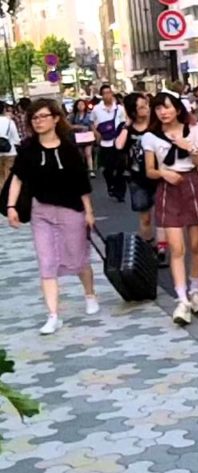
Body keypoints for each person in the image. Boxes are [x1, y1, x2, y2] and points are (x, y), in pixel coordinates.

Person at [4, 99, 97, 335]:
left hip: (71, 209)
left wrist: (89, 212)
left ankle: (89, 294)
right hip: (41, 212)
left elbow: (82, 184)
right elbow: (17, 179)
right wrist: (11, 206)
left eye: (43, 117)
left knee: (78, 258)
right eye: (34, 118)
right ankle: (53, 315)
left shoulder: (69, 149)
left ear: (55, 119)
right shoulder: (28, 149)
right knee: (46, 262)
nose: (39, 122)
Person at [143, 92, 198, 326]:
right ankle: (182, 299)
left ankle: (195, 290)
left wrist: (190, 148)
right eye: (158, 109)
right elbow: (149, 170)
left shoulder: (193, 131)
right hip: (168, 188)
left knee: (195, 244)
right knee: (177, 248)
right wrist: (163, 173)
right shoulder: (150, 137)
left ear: (177, 109)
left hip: (193, 184)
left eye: (167, 107)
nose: (163, 112)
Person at [115, 93, 167, 263]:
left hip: (159, 174)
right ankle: (148, 246)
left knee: (161, 214)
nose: (146, 109)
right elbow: (119, 145)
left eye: (146, 105)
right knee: (145, 217)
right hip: (137, 177)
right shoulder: (127, 128)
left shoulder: (156, 125)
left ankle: (161, 249)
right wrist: (127, 125)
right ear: (133, 111)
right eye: (141, 107)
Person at [92, 84, 127, 202]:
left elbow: (124, 123)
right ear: (101, 95)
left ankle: (120, 192)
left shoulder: (120, 108)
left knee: (120, 167)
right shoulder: (97, 109)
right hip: (104, 142)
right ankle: (110, 185)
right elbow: (92, 122)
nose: (107, 95)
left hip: (118, 141)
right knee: (108, 168)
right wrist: (96, 133)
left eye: (109, 92)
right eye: (105, 93)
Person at [69, 99, 96, 177]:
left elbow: (92, 125)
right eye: (79, 104)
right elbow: (69, 125)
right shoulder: (73, 115)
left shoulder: (89, 114)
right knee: (80, 154)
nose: (81, 106)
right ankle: (83, 168)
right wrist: (78, 127)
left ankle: (91, 170)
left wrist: (94, 132)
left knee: (88, 154)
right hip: (77, 137)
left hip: (88, 137)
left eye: (82, 104)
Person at [0, 102, 19, 185]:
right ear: (4, 109)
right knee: (9, 177)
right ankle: (8, 192)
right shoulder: (9, 121)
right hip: (10, 152)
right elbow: (16, 139)